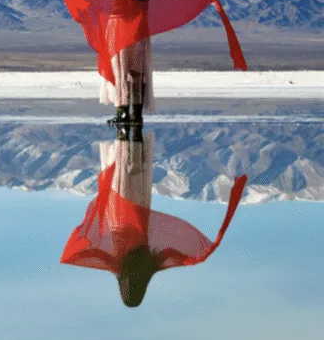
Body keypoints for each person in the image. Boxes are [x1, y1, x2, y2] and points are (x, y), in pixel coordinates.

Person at [59, 0, 248, 126]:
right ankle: (137, 114)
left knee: (120, 72)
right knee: (138, 72)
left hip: (118, 31)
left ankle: (123, 113)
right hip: (139, 32)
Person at [60, 129, 247, 307]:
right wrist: (78, 247)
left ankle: (134, 127)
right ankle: (122, 128)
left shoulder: (151, 265)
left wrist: (202, 253)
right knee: (121, 173)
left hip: (141, 211)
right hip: (118, 215)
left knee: (137, 172)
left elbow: (175, 254)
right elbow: (91, 253)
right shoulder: (116, 265)